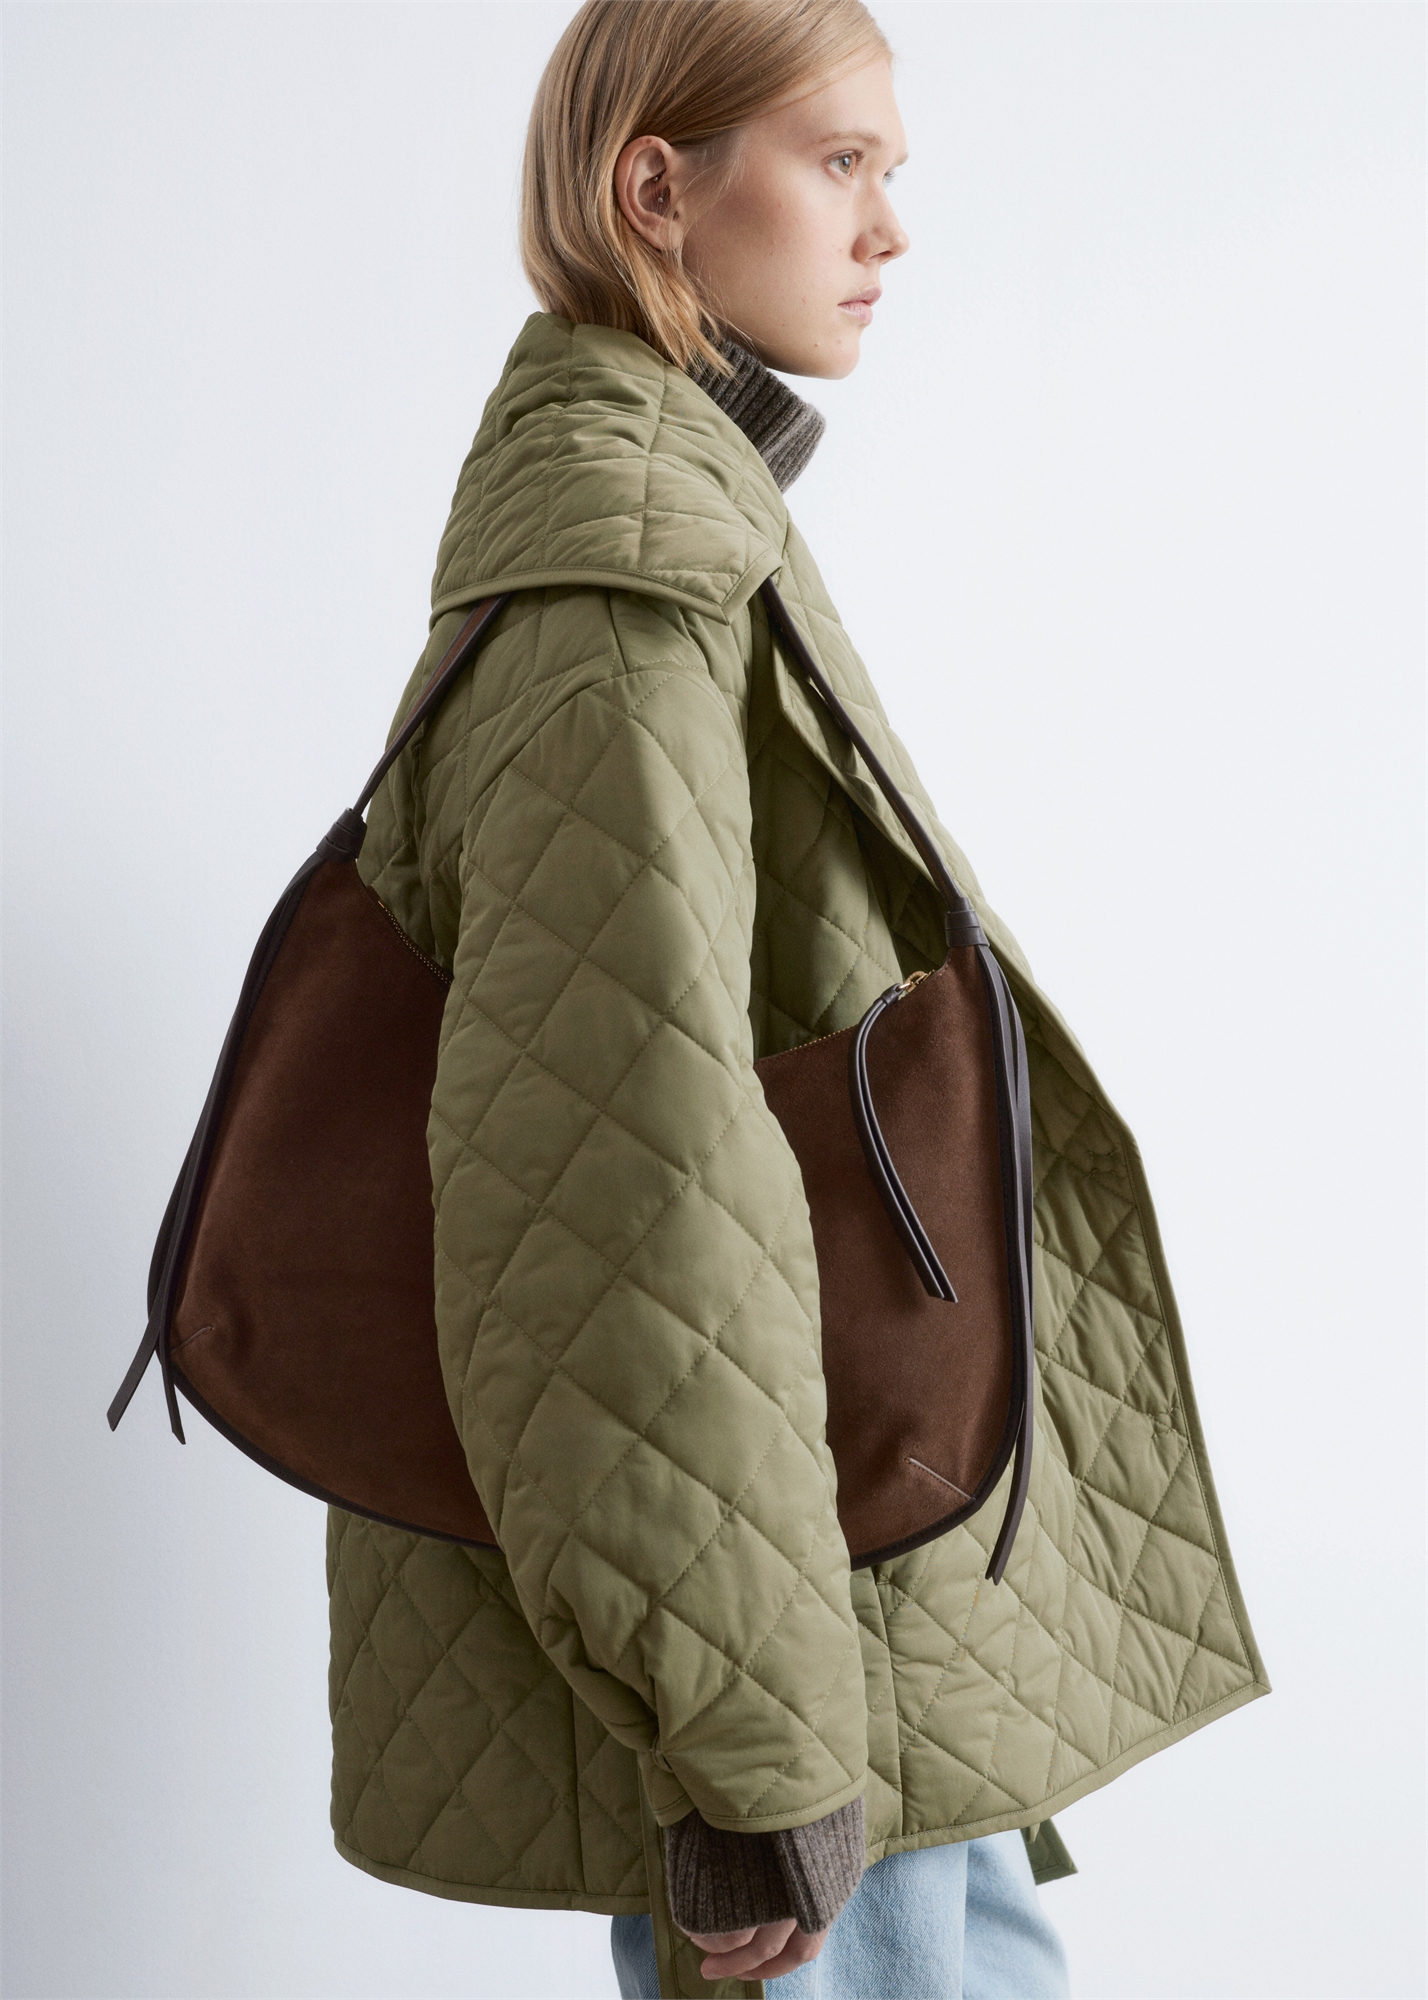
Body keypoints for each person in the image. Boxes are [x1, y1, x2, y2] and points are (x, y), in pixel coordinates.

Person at [329, 3, 1268, 1994]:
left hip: (852, 1589)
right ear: (653, 190)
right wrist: (754, 1748)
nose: (889, 226)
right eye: (841, 162)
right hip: (800, 1653)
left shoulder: (684, 532)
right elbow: (617, 1200)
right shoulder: (622, 601)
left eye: (890, 172)